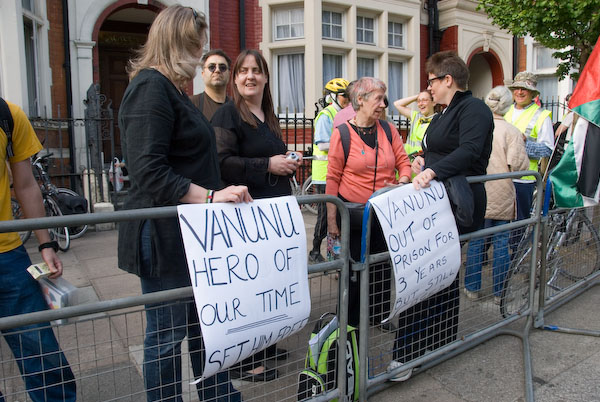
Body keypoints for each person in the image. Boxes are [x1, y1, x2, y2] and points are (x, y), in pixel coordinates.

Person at [117, 6, 251, 401]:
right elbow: (149, 172)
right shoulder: (149, 87)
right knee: (167, 332)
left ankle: (218, 395)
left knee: (202, 325)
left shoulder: (170, 89)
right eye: (196, 45)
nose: (201, 53)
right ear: (177, 42)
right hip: (163, 236)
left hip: (187, 232)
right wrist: (211, 196)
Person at [389, 51, 493, 381]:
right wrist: (422, 161)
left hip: (457, 203)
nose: (428, 88)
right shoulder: (441, 113)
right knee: (439, 271)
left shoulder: (474, 108)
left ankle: (406, 354)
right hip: (434, 203)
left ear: (448, 80)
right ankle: (436, 341)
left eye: (431, 80)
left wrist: (433, 169)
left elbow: (469, 151)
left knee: (429, 271)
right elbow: (434, 149)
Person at [212, 49, 300, 382]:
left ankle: (263, 345)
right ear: (234, 78)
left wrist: (286, 162)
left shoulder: (267, 115)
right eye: (243, 71)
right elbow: (220, 162)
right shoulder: (227, 116)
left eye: (256, 71)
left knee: (268, 285)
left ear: (265, 77)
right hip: (244, 219)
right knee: (247, 291)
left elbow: (269, 159)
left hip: (269, 219)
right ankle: (245, 361)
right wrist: (268, 164)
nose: (250, 76)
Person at [0, 98, 76, 402]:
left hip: (8, 257)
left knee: (42, 356)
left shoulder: (7, 115)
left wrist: (46, 244)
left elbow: (26, 184)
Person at [325, 77, 411, 330]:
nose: (384, 104)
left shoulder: (388, 130)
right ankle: (351, 321)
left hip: (384, 213)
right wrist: (332, 220)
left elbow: (403, 162)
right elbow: (332, 179)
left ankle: (379, 316)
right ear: (359, 101)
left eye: (385, 99)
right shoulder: (342, 133)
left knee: (382, 264)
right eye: (378, 99)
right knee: (352, 269)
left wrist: (403, 180)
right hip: (352, 213)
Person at [464, 86, 529, 304]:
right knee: (502, 242)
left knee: (476, 240)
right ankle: (500, 292)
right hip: (502, 191)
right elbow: (519, 166)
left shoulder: (474, 127)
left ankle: (472, 288)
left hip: (479, 190)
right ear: (507, 105)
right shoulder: (511, 131)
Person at [504, 72, 554, 243]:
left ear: (533, 93)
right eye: (517, 88)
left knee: (519, 221)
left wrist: (522, 145)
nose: (520, 92)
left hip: (523, 178)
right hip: (501, 176)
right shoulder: (505, 111)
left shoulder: (541, 116)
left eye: (525, 89)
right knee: (497, 219)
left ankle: (514, 258)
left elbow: (547, 150)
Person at [309, 78, 350, 264]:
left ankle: (336, 253)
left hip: (339, 172)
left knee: (338, 215)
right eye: (344, 97)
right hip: (324, 173)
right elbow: (323, 143)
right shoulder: (327, 114)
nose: (347, 100)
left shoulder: (344, 113)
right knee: (325, 216)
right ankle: (315, 251)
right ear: (333, 96)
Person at [393, 91, 436, 160]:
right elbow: (397, 104)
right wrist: (417, 96)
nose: (420, 104)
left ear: (433, 102)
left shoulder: (438, 120)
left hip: (423, 163)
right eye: (418, 101)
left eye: (424, 100)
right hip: (408, 161)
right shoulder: (416, 116)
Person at [191, 49, 232, 120]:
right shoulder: (190, 104)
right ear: (203, 74)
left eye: (222, 67)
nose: (217, 70)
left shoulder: (238, 108)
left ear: (229, 74)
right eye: (211, 67)